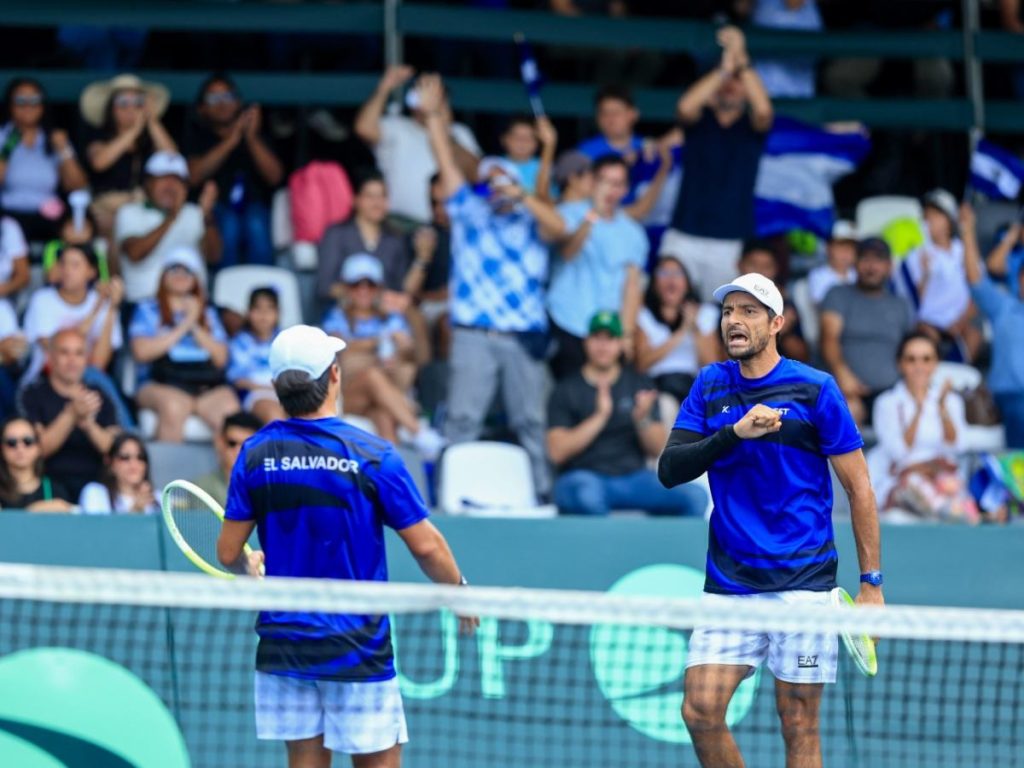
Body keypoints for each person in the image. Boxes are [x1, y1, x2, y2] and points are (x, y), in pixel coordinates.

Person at [217, 323, 477, 768]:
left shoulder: (254, 454)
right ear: (334, 376)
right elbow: (428, 548)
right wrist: (459, 589)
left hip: (286, 643)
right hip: (356, 645)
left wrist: (249, 560)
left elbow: (227, 553)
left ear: (278, 387)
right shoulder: (372, 453)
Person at [657, 271, 883, 768]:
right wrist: (734, 433)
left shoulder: (815, 389)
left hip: (803, 584)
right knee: (699, 711)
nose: (733, 321)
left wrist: (871, 584)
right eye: (727, 312)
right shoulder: (710, 384)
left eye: (748, 312)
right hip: (731, 584)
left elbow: (859, 487)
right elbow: (670, 470)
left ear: (776, 322)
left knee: (798, 722)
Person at [420, 73, 565, 496]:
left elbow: (558, 225)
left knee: (532, 422)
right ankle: (446, 499)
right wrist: (432, 118)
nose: (499, 186)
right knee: (462, 421)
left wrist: (524, 195)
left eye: (508, 180)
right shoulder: (468, 211)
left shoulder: (533, 221)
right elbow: (446, 162)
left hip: (523, 338)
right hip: (473, 335)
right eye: (493, 179)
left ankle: (544, 498)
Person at [547, 311, 706, 517]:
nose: (603, 345)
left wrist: (643, 419)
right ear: (586, 342)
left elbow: (657, 448)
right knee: (584, 495)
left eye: (610, 338)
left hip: (634, 478)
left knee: (695, 496)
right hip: (585, 476)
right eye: (597, 338)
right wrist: (600, 416)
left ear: (621, 343)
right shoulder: (566, 389)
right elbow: (556, 452)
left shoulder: (639, 384)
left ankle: (659, 549)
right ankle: (609, 548)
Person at [660, 26, 773, 300]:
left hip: (729, 239)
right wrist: (724, 68)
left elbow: (764, 110)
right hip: (683, 232)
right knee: (665, 306)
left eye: (738, 82)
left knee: (723, 313)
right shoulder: (700, 122)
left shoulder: (751, 127)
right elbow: (685, 106)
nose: (732, 85)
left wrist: (741, 60)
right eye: (727, 80)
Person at [323, 254, 442, 455]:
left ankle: (393, 474)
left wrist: (404, 349)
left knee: (383, 416)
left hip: (383, 395)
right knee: (372, 375)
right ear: (346, 288)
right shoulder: (336, 317)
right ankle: (419, 433)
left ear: (378, 288)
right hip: (347, 396)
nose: (363, 291)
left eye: (370, 285)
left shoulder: (392, 318)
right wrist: (377, 346)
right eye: (356, 285)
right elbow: (338, 350)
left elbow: (417, 357)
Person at [547, 154, 647, 379]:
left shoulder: (633, 232)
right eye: (604, 181)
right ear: (592, 182)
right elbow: (568, 252)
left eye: (618, 184)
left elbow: (632, 286)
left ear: (625, 189)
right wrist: (593, 216)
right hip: (568, 322)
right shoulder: (567, 212)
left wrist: (627, 334)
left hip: (609, 332)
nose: (611, 190)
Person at [129, 248, 239, 442]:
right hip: (160, 384)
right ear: (163, 275)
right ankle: (170, 473)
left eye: (187, 270)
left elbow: (221, 358)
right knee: (173, 407)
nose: (180, 275)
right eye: (174, 269)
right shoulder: (147, 309)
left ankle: (231, 472)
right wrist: (185, 324)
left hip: (205, 386)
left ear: (196, 278)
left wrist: (195, 322)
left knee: (232, 415)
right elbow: (141, 352)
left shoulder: (208, 313)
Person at [354, 66, 481, 225]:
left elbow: (477, 174)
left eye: (434, 97)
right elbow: (363, 129)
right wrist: (385, 86)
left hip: (450, 223)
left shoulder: (460, 132)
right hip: (401, 223)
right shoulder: (397, 126)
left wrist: (445, 131)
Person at [871, 332, 976, 522]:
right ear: (900, 364)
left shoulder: (950, 400)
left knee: (953, 488)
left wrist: (942, 410)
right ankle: (947, 512)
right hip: (905, 478)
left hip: (942, 476)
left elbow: (958, 446)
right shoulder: (887, 402)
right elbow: (898, 452)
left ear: (935, 364)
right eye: (911, 359)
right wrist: (918, 410)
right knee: (917, 488)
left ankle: (953, 512)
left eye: (926, 359)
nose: (919, 366)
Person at [185, 73, 284, 268]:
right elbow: (193, 176)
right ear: (201, 108)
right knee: (229, 223)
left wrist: (251, 138)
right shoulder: (197, 135)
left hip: (254, 208)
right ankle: (225, 287)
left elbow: (275, 177)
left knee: (255, 223)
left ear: (239, 102)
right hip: (215, 209)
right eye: (214, 98)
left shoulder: (257, 135)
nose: (222, 103)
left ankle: (262, 292)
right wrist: (232, 140)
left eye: (228, 96)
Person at [820, 237, 916, 426]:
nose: (871, 267)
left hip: (891, 392)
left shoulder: (900, 304)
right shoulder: (838, 294)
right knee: (847, 415)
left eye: (878, 260)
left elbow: (910, 349)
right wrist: (842, 374)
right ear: (855, 264)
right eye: (865, 259)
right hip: (844, 389)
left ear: (889, 266)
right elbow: (828, 338)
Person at [19, 328, 120, 500]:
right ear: (50, 357)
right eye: (64, 352)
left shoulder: (100, 395)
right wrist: (71, 414)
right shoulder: (32, 394)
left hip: (96, 487)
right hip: (47, 485)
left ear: (86, 359)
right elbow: (36, 449)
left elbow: (115, 449)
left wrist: (89, 425)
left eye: (79, 353)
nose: (72, 360)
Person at [114, 151, 221, 304]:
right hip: (146, 303)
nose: (170, 186)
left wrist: (207, 216)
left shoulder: (195, 213)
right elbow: (134, 254)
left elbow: (214, 257)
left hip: (193, 305)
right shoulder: (130, 212)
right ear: (148, 183)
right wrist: (172, 217)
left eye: (177, 180)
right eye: (163, 179)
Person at [80, 73, 176, 238]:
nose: (131, 108)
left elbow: (173, 159)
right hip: (106, 211)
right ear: (111, 108)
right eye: (123, 103)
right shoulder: (98, 136)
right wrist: (133, 131)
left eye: (138, 103)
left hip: (142, 210)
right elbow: (99, 162)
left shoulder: (149, 140)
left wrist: (152, 120)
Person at [961, 203, 1024, 449]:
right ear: (1017, 280)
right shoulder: (1004, 305)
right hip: (1011, 396)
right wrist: (967, 231)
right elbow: (975, 279)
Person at [21, 245, 123, 387]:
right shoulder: (42, 299)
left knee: (95, 379)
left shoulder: (103, 302)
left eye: (75, 265)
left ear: (91, 271)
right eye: (63, 263)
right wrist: (97, 307)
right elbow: (57, 350)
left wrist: (112, 307)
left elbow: (99, 362)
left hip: (90, 380)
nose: (67, 270)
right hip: (45, 382)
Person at [0, 78, 88, 241]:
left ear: (43, 105)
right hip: (8, 214)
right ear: (10, 104)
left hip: (49, 215)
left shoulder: (53, 137)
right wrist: (6, 150)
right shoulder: (3, 136)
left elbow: (78, 186)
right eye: (20, 100)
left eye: (34, 100)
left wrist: (64, 149)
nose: (28, 106)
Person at [898, 189, 980, 362]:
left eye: (937, 215)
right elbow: (914, 301)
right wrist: (926, 274)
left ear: (950, 220)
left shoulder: (965, 249)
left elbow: (980, 290)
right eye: (927, 216)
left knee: (975, 336)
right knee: (925, 339)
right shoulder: (916, 255)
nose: (930, 221)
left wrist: (961, 322)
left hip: (962, 323)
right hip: (929, 324)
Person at [317, 172, 411, 313]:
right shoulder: (337, 234)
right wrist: (366, 297)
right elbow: (324, 286)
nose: (377, 203)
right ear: (355, 199)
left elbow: (400, 288)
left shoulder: (395, 239)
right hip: (345, 314)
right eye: (370, 196)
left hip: (386, 314)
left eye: (382, 196)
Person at [635, 256, 721, 403]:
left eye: (677, 273)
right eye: (664, 273)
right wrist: (681, 332)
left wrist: (694, 329)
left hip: (694, 385)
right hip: (658, 386)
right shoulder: (644, 316)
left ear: (687, 283)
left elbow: (711, 366)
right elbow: (642, 364)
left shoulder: (706, 314)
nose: (671, 279)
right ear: (654, 284)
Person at [228, 287, 287, 424]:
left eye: (269, 309)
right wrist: (268, 388)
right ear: (248, 312)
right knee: (275, 417)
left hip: (285, 394)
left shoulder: (286, 340)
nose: (263, 315)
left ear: (278, 313)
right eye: (258, 309)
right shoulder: (240, 342)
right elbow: (238, 380)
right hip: (254, 394)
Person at [0, 417, 74, 511]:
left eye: (28, 441)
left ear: (38, 446)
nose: (20, 448)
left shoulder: (55, 490)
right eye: (11, 442)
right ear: (2, 449)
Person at [193, 411, 263, 508]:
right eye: (232, 443)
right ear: (220, 442)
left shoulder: (269, 488)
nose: (238, 451)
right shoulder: (200, 488)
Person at [78, 433, 159, 515]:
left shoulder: (161, 498)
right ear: (110, 463)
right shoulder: (96, 493)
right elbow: (96, 527)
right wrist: (135, 511)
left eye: (140, 457)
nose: (134, 464)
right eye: (125, 457)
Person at [807, 220, 857, 307]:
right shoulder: (818, 276)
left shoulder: (859, 274)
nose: (846, 252)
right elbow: (823, 306)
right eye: (840, 247)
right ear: (828, 248)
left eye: (850, 247)